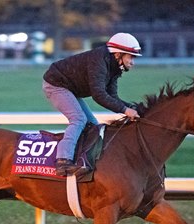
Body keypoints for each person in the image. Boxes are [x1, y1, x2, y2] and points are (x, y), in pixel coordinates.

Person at [42, 32, 142, 176]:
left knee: (93, 126)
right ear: (118, 54)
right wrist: (126, 110)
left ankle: (82, 161)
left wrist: (132, 108)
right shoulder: (99, 60)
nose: (133, 62)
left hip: (70, 88)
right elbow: (99, 95)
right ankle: (63, 161)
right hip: (55, 84)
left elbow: (112, 97)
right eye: (131, 56)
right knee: (79, 119)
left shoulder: (114, 68)